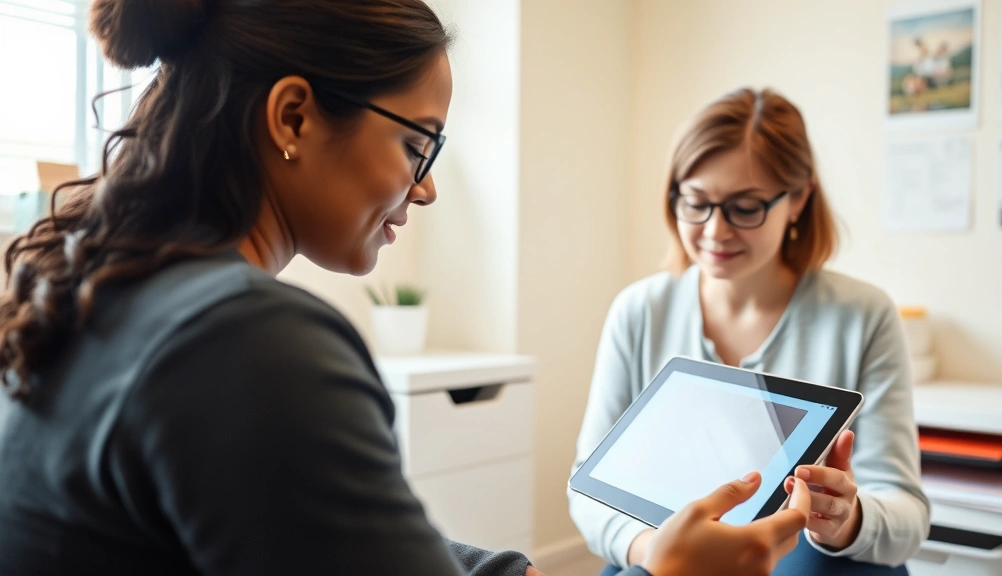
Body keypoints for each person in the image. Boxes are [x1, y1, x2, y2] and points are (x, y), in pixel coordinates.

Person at [0, 1, 812, 575]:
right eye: (418, 145)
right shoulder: (244, 342)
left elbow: (324, 536)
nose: (424, 190)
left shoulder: (91, 287)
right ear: (292, 118)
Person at [569, 88, 929, 575]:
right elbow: (590, 489)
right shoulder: (639, 310)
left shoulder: (864, 315)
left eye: (745, 207)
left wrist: (846, 520)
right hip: (664, 549)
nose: (716, 231)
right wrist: (658, 554)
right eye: (695, 203)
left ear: (799, 198)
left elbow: (906, 512)